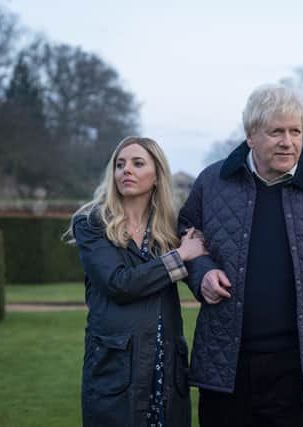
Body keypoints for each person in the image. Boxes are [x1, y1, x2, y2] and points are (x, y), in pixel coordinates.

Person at [179, 84, 303, 427]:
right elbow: (186, 239)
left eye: (296, 131)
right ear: (251, 136)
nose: (288, 141)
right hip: (226, 360)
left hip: (298, 366)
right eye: (276, 131)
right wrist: (202, 273)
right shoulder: (212, 181)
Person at [68, 136, 206, 426]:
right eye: (120, 165)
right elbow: (120, 283)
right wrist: (180, 256)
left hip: (166, 369)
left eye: (137, 163)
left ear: (156, 176)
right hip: (117, 371)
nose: (125, 170)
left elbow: (198, 271)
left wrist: (208, 274)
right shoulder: (92, 223)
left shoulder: (169, 228)